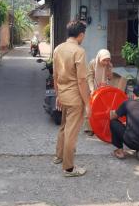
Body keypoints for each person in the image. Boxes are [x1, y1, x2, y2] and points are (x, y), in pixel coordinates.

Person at [53, 20, 90, 177]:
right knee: (71, 133)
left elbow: (54, 75)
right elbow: (82, 80)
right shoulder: (79, 51)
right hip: (75, 98)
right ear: (80, 35)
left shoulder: (58, 49)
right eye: (84, 35)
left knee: (63, 127)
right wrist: (87, 102)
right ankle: (68, 168)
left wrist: (58, 95)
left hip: (63, 94)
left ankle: (59, 157)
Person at [109, 85, 139, 161]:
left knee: (113, 123)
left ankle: (120, 152)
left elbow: (113, 117)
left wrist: (112, 112)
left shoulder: (127, 104)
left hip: (132, 143)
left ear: (133, 95)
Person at [84, 49, 113, 135]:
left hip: (103, 89)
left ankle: (99, 127)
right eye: (104, 60)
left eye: (108, 60)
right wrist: (92, 89)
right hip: (92, 88)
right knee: (90, 107)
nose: (106, 62)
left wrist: (110, 69)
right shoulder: (93, 63)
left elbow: (110, 78)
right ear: (99, 58)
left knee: (101, 108)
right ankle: (89, 128)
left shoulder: (108, 65)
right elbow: (89, 76)